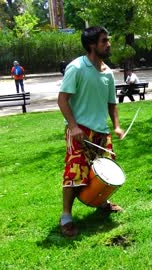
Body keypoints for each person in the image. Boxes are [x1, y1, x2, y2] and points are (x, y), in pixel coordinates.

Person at [57, 26, 124, 238]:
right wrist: (74, 126)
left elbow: (112, 104)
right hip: (79, 130)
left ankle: (101, 203)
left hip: (101, 133)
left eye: (108, 39)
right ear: (92, 45)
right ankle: (66, 217)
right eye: (104, 41)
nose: (108, 44)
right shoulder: (76, 68)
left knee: (105, 173)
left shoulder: (108, 73)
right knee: (74, 174)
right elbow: (62, 100)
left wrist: (116, 126)